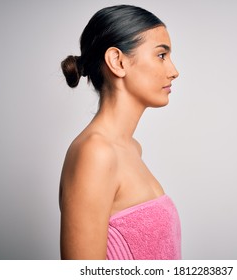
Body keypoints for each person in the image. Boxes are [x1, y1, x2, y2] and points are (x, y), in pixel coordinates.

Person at [59, 5, 180, 260]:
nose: (174, 71)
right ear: (118, 61)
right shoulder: (96, 153)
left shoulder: (132, 148)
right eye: (161, 55)